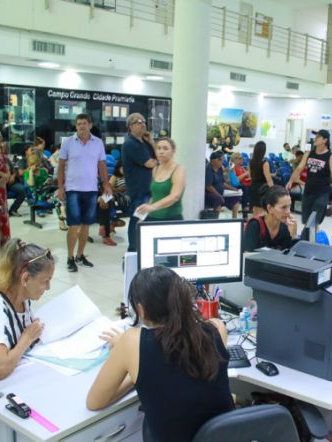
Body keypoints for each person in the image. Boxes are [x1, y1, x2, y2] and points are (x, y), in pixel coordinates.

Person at [86, 266, 233, 441]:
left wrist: (132, 370)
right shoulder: (217, 328)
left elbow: (95, 402)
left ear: (140, 310)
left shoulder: (131, 341)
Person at [0, 239, 53, 381]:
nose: (48, 287)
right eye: (45, 281)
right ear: (25, 278)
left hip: (17, 375)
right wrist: (27, 338)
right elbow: (0, 370)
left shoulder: (22, 295)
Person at [57, 114, 112, 272]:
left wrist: (106, 184)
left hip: (91, 189)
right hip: (72, 189)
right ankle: (70, 258)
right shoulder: (68, 143)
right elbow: (61, 166)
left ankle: (80, 255)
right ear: (76, 126)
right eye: (79, 123)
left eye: (84, 123)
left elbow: (102, 165)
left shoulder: (98, 143)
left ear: (90, 125)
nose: (82, 126)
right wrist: (60, 187)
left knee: (86, 225)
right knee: (74, 225)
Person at [286, 129, 332, 226]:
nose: (315, 138)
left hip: (322, 193)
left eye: (318, 137)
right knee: (306, 221)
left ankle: (309, 235)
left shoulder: (331, 157)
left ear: (325, 140)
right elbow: (299, 168)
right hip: (308, 191)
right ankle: (310, 235)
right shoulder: (309, 153)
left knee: (313, 221)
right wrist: (291, 180)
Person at [122, 113, 157, 252]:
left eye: (143, 121)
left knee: (146, 220)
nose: (143, 124)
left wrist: (151, 141)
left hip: (149, 188)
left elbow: (157, 157)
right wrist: (159, 162)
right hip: (138, 190)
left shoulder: (145, 142)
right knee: (137, 219)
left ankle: (142, 249)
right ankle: (133, 250)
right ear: (130, 127)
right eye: (138, 122)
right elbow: (150, 163)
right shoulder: (130, 144)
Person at [135, 137, 185, 221]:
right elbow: (154, 196)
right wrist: (143, 216)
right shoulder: (156, 169)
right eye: (158, 148)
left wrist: (152, 207)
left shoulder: (179, 169)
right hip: (152, 217)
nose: (161, 152)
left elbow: (175, 196)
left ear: (173, 151)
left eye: (165, 148)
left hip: (171, 218)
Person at [244, 185, 297, 252]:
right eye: (283, 207)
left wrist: (293, 235)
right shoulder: (255, 225)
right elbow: (247, 254)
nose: (288, 211)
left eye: (289, 206)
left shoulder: (285, 227)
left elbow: (288, 255)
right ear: (269, 208)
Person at [24, 152, 67, 230]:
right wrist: (31, 172)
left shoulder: (43, 171)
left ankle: (62, 217)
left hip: (48, 191)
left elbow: (49, 180)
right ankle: (62, 218)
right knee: (58, 199)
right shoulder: (27, 173)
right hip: (38, 195)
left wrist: (49, 181)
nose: (37, 167)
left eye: (37, 164)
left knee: (61, 193)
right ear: (30, 165)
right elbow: (31, 184)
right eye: (34, 165)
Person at [205, 150, 240, 216]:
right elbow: (208, 186)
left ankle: (234, 219)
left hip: (220, 193)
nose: (222, 161)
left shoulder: (220, 169)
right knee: (218, 199)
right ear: (213, 161)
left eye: (223, 159)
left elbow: (223, 183)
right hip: (211, 193)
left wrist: (233, 189)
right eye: (220, 159)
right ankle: (215, 219)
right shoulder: (209, 169)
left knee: (236, 198)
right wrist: (218, 194)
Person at [249, 141, 274, 216]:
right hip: (262, 189)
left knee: (255, 211)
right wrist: (274, 190)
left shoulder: (251, 162)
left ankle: (253, 223)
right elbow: (268, 179)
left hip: (253, 187)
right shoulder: (264, 163)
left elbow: (250, 176)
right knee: (262, 212)